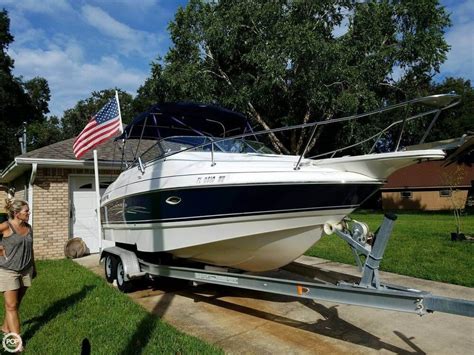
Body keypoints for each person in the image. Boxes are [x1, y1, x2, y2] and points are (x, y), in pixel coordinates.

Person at [0, 199, 36, 351]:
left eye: (28, 210)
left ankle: (5, 327)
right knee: (11, 305)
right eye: (26, 211)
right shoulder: (6, 226)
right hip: (8, 271)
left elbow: (31, 248)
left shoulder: (29, 227)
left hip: (26, 270)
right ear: (16, 213)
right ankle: (16, 342)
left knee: (16, 303)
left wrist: (34, 267)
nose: (29, 213)